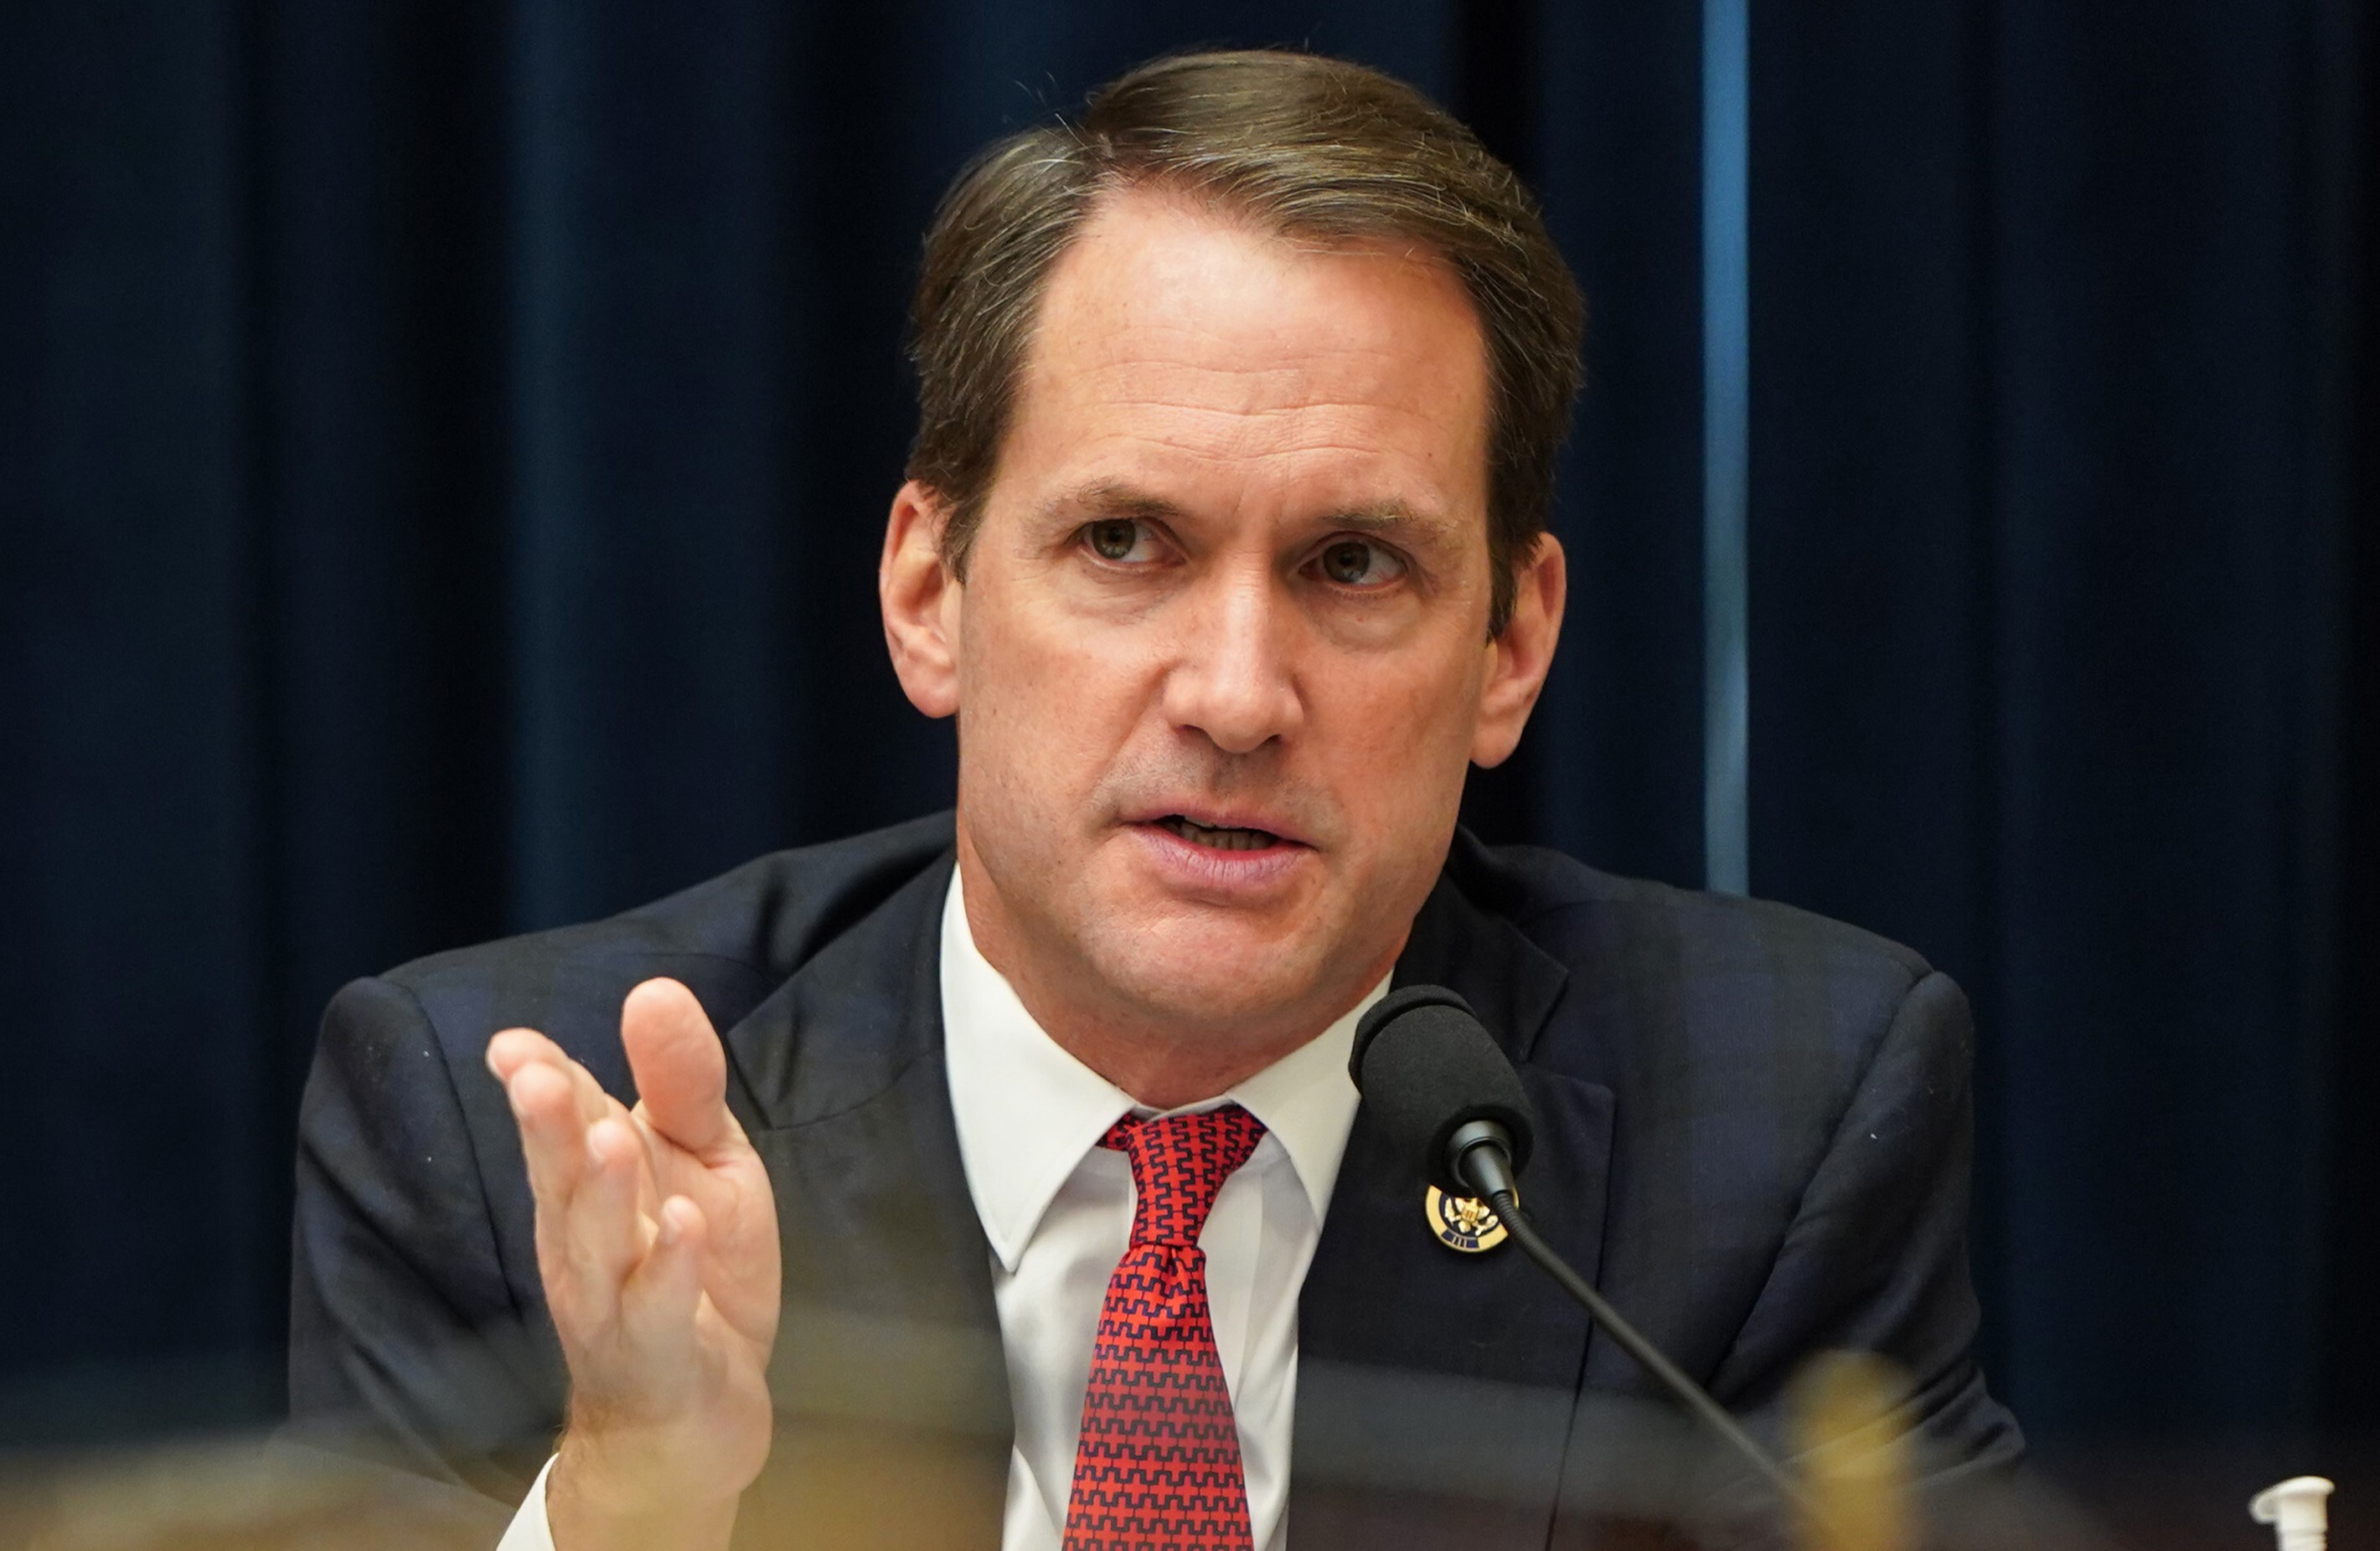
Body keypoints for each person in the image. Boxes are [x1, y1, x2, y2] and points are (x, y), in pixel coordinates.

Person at [287, 48, 2023, 1551]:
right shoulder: (521, 1148)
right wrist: (630, 1499)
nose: (1237, 696)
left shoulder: (1772, 1124)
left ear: (1509, 645)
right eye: (1126, 543)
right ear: (929, 593)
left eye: (1353, 564)